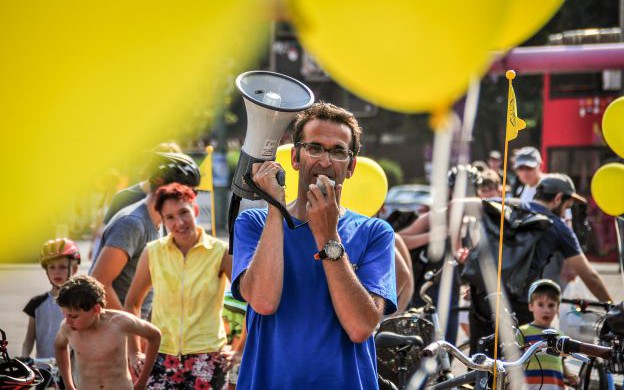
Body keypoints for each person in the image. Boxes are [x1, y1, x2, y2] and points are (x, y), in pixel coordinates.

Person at [232, 102, 397, 389]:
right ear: (295, 157)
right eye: (315, 148)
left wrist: (328, 236)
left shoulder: (375, 232)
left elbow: (360, 327)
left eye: (338, 151)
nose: (325, 161)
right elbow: (263, 301)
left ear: (351, 166)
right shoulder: (254, 223)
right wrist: (275, 208)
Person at [468, 173, 613, 352]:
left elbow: (456, 207)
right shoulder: (558, 227)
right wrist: (611, 307)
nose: (567, 209)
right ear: (558, 198)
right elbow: (589, 275)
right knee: (517, 368)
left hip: (482, 296)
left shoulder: (507, 205)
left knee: (478, 364)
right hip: (518, 305)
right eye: (567, 205)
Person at [124, 183, 233, 389]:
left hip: (208, 357)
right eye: (170, 217)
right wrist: (133, 350)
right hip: (161, 356)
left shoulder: (220, 251)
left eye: (184, 213)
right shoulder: (152, 252)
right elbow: (132, 303)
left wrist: (239, 348)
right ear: (163, 220)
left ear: (196, 210)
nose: (179, 223)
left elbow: (251, 301)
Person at [90, 152, 201, 318]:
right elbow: (99, 282)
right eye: (182, 193)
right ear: (161, 186)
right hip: (114, 332)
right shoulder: (133, 224)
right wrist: (132, 330)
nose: (189, 200)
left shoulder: (156, 220)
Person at [54, 275, 161, 390]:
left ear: (96, 309)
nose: (68, 321)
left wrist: (143, 381)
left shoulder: (120, 322)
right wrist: (69, 385)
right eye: (65, 315)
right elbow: (59, 346)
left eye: (74, 316)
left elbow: (155, 335)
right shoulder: (67, 328)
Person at [22, 238, 81, 359]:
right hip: (44, 370)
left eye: (62, 267)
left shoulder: (82, 303)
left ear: (74, 269)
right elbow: (29, 339)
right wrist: (24, 356)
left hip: (74, 370)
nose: (57, 272)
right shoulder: (36, 303)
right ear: (46, 271)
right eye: (52, 267)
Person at [516, 279, 576, 390]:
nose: (546, 310)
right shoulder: (522, 332)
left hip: (555, 386)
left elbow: (560, 360)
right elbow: (514, 361)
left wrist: (568, 375)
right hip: (530, 386)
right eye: (541, 305)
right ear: (531, 306)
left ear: (557, 308)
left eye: (551, 305)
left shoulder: (559, 334)